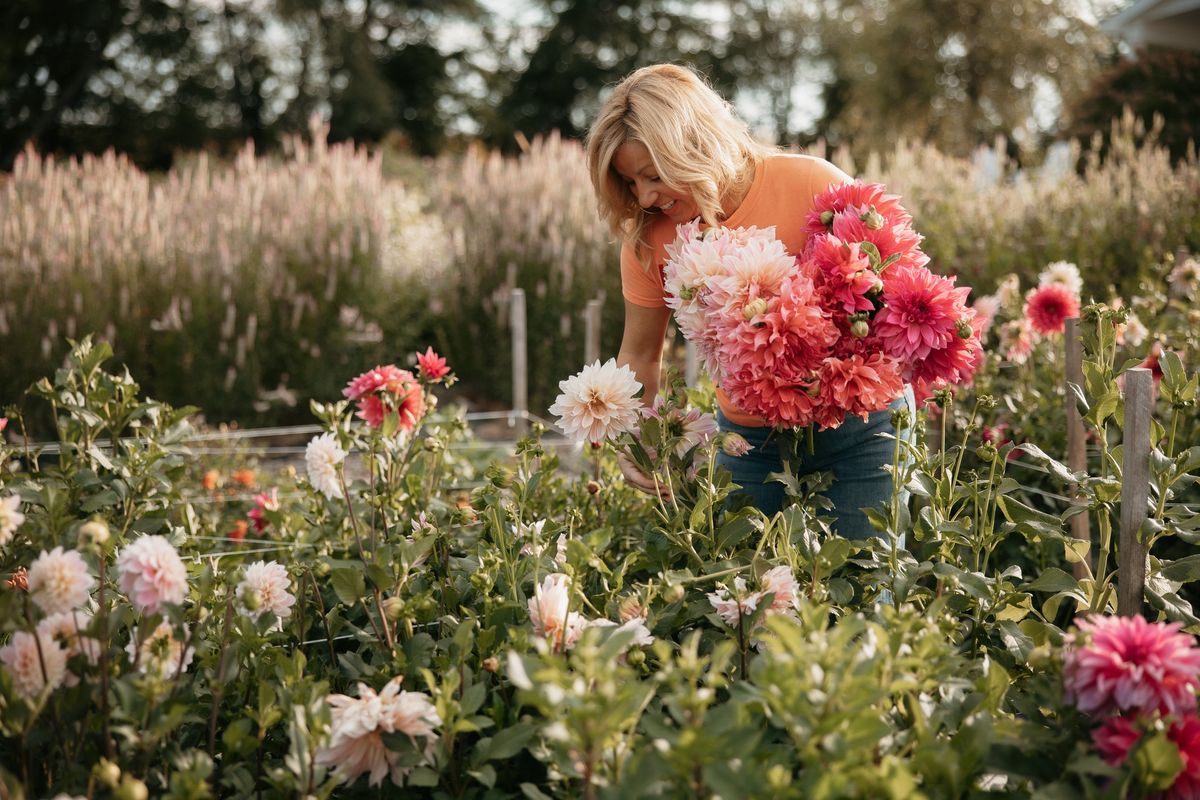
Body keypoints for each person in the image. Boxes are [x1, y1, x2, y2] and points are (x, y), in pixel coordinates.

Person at [583, 63, 914, 538]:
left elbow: (895, 285)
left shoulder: (811, 184)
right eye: (630, 184)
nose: (646, 196)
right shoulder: (646, 239)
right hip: (749, 442)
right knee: (747, 598)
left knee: (863, 590)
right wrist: (636, 439)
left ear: (694, 145)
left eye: (653, 175)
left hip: (862, 427)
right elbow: (639, 353)